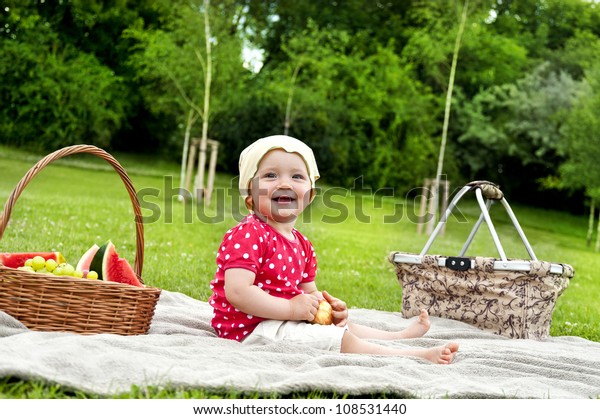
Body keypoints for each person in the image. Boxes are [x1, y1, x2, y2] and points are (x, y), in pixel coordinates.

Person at [208, 135, 458, 364]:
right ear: (249, 194)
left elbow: (310, 294)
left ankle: (397, 336)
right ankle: (414, 356)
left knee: (341, 326)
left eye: (297, 177)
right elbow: (238, 292)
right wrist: (292, 309)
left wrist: (328, 309)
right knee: (340, 340)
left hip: (282, 320)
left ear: (310, 195)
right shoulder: (250, 233)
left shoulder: (302, 244)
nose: (284, 183)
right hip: (248, 328)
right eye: (270, 176)